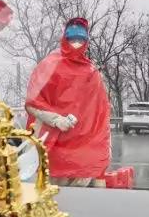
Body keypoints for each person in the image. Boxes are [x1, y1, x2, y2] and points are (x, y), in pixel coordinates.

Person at [25, 17, 111, 186]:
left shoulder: (92, 72)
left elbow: (101, 112)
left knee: (80, 193)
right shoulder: (49, 66)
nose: (76, 44)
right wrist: (55, 119)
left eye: (80, 39)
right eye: (72, 39)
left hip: (82, 148)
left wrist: (104, 146)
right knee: (51, 191)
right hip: (53, 145)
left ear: (86, 41)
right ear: (65, 39)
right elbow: (32, 103)